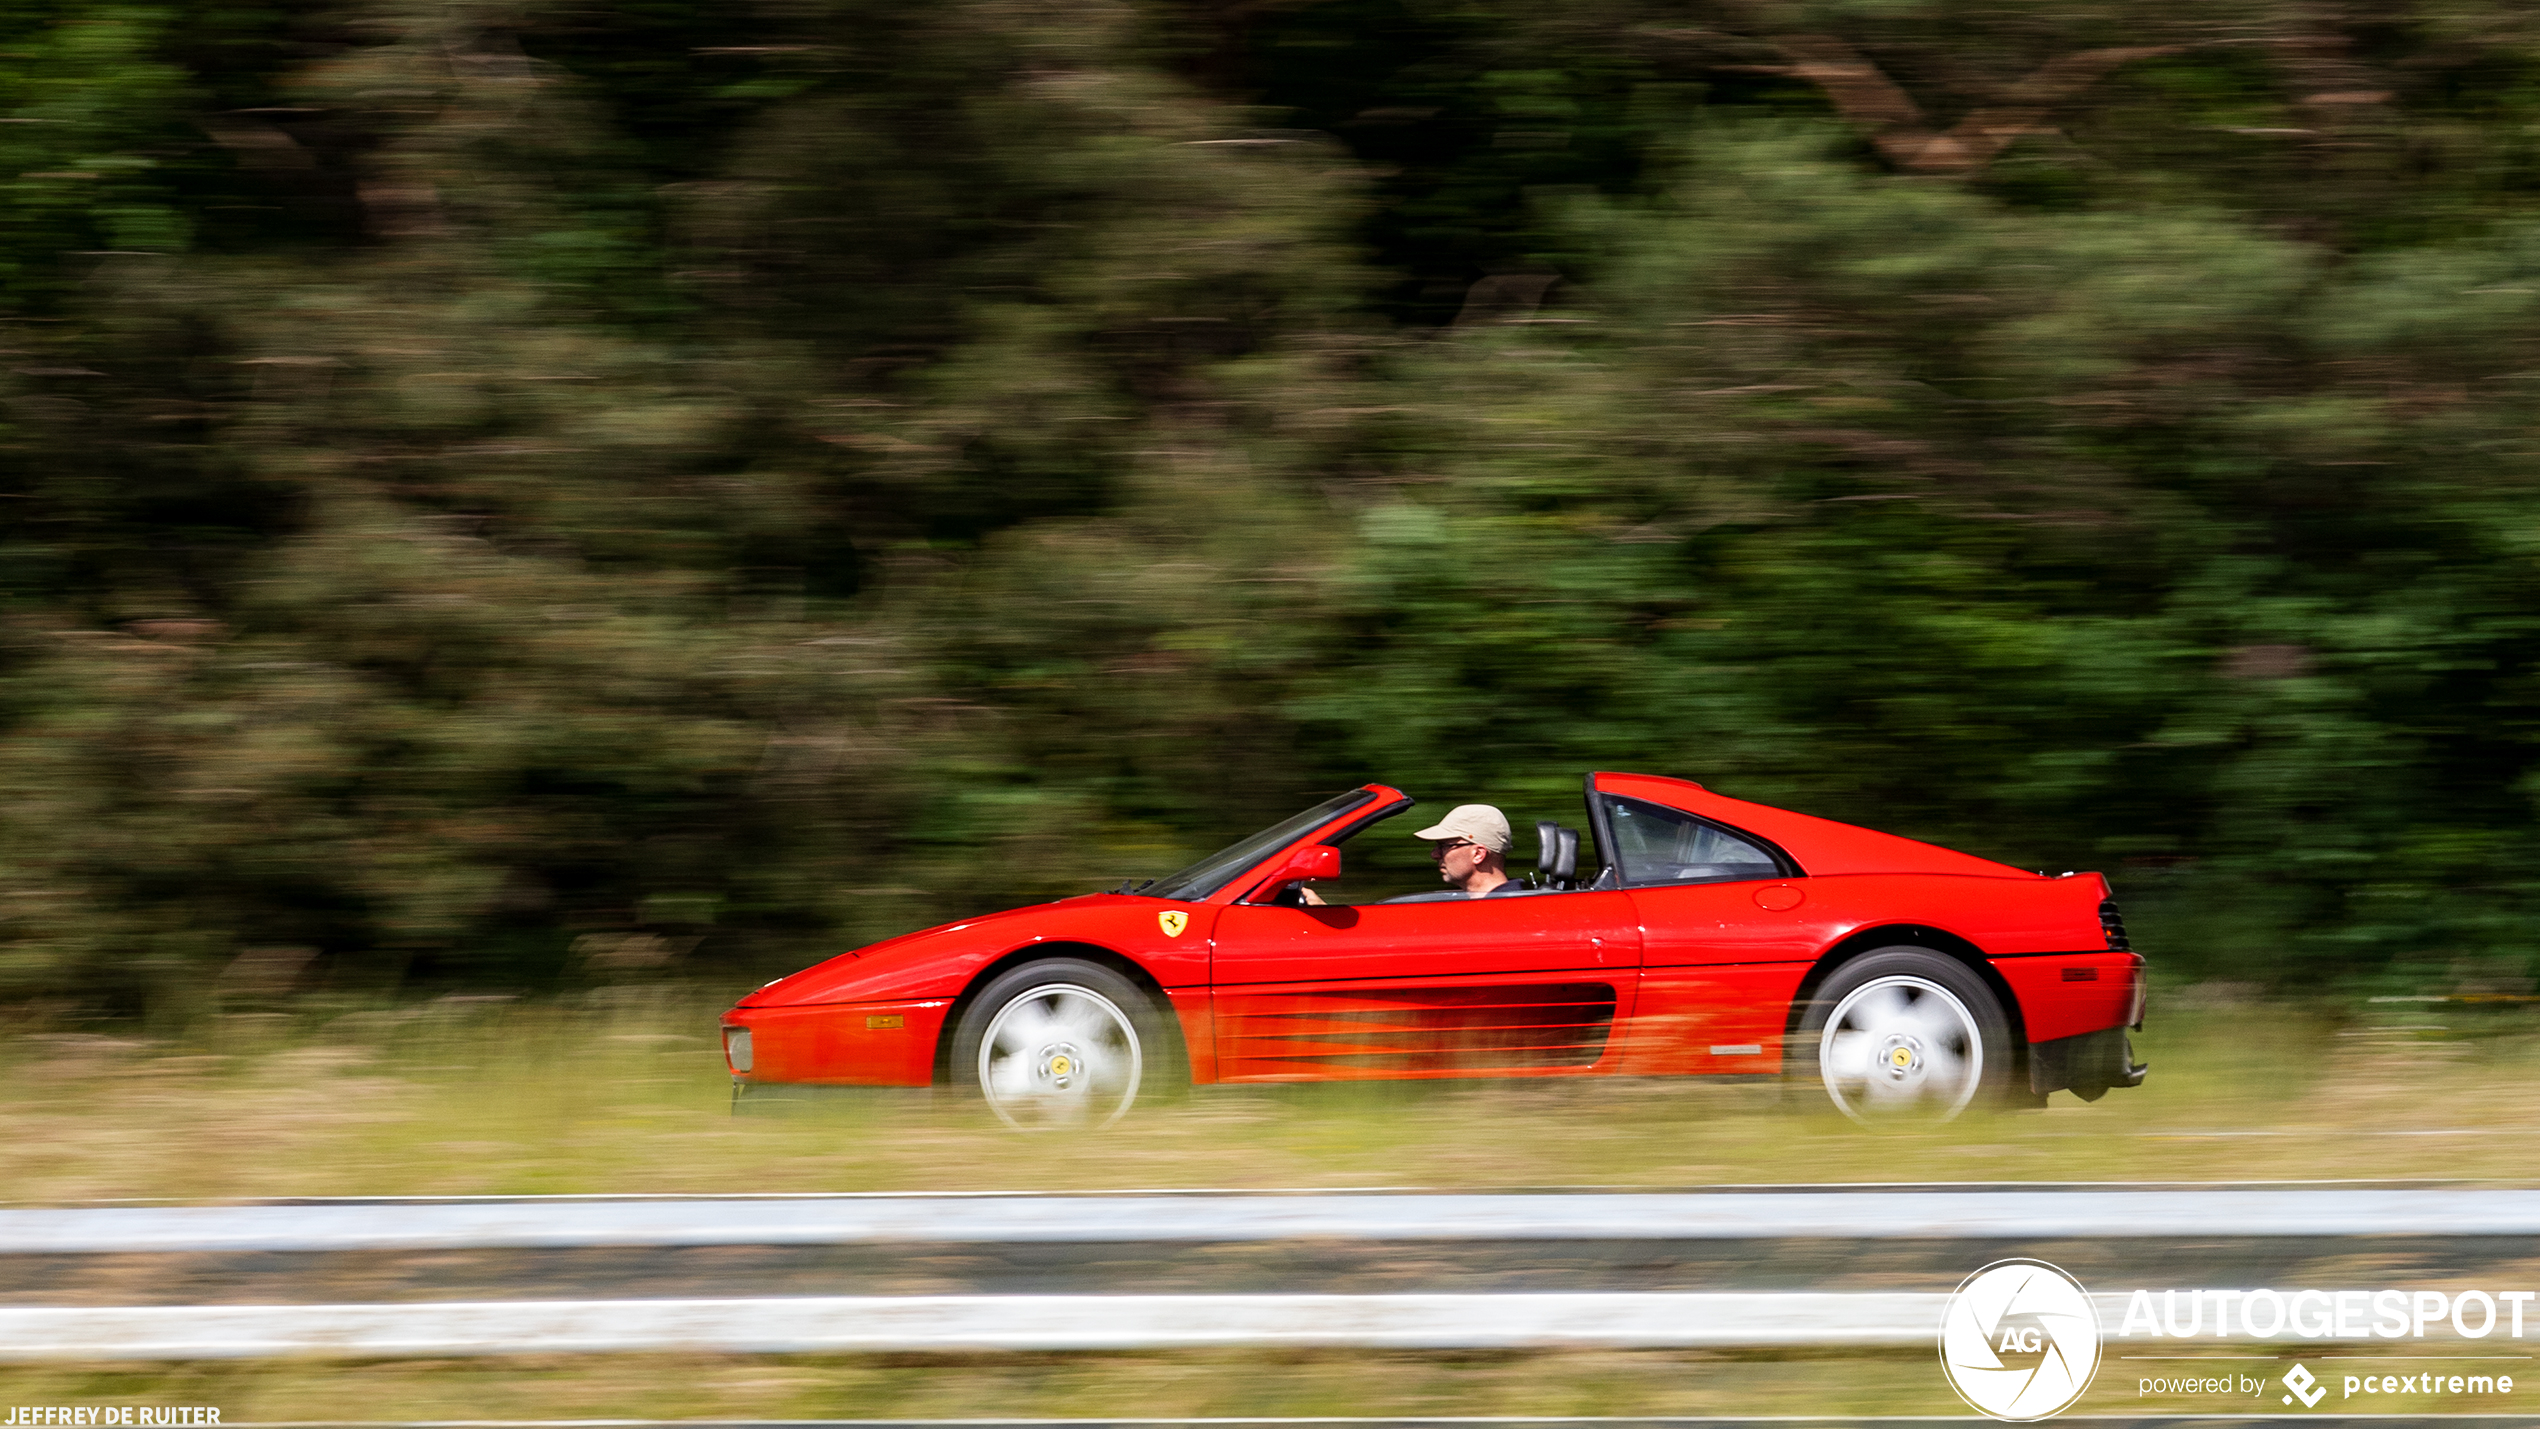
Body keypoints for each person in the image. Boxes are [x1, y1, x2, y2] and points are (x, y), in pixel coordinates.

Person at [1414, 804, 1528, 897]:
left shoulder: (1506, 912)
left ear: (1478, 854)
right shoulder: (1475, 910)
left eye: (1444, 846)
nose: (1434, 854)